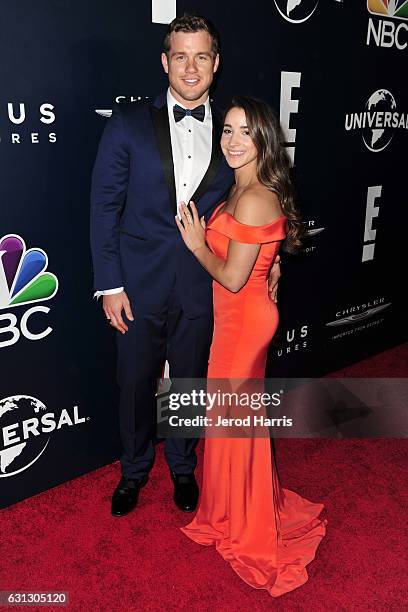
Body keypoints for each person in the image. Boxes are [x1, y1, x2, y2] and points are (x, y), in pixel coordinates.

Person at [90, 15, 281, 517]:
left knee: (191, 382)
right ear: (164, 62)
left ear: (216, 64)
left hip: (203, 284)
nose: (191, 67)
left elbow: (255, 195)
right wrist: (109, 283)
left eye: (201, 56)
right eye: (181, 55)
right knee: (134, 383)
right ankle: (133, 472)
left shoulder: (233, 131)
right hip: (136, 283)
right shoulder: (128, 123)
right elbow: (104, 206)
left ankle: (181, 465)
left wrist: (270, 255)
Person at [175, 96, 328, 597]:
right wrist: (273, 261)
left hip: (242, 321)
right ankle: (232, 505)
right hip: (241, 318)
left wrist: (199, 245)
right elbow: (262, 245)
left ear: (265, 139)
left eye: (246, 132)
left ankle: (245, 519)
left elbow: (235, 278)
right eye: (227, 130)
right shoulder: (245, 186)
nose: (233, 140)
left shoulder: (254, 195)